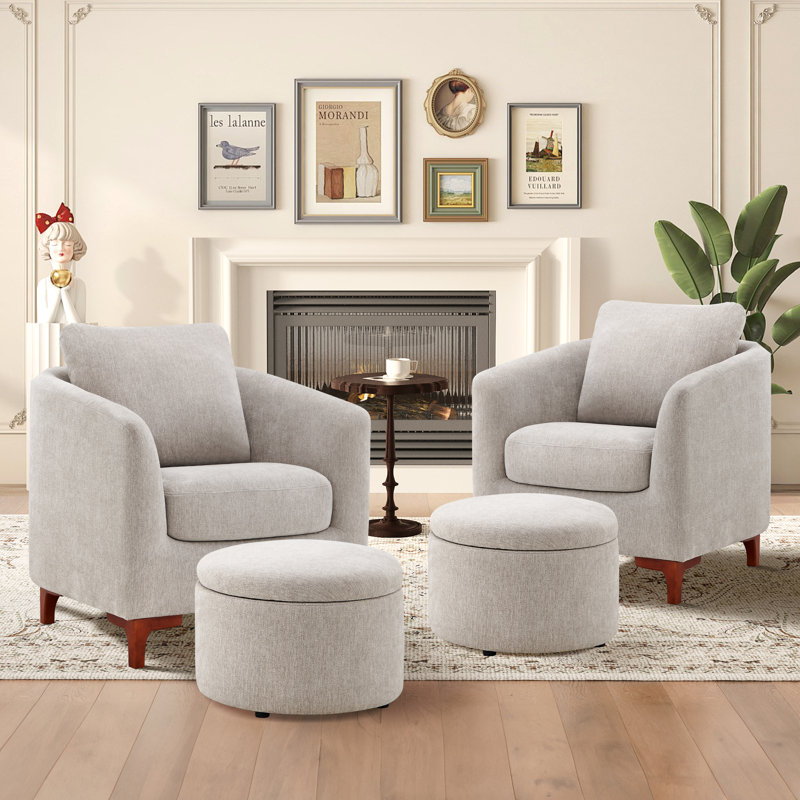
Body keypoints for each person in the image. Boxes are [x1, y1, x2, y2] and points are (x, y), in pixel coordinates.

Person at [35, 203, 88, 324]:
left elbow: (78, 326)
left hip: (73, 342)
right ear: (47, 248)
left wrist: (64, 293)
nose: (61, 248)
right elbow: (43, 324)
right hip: (47, 341)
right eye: (54, 244)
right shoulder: (43, 284)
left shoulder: (79, 284)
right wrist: (57, 293)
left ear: (75, 248)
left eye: (68, 244)